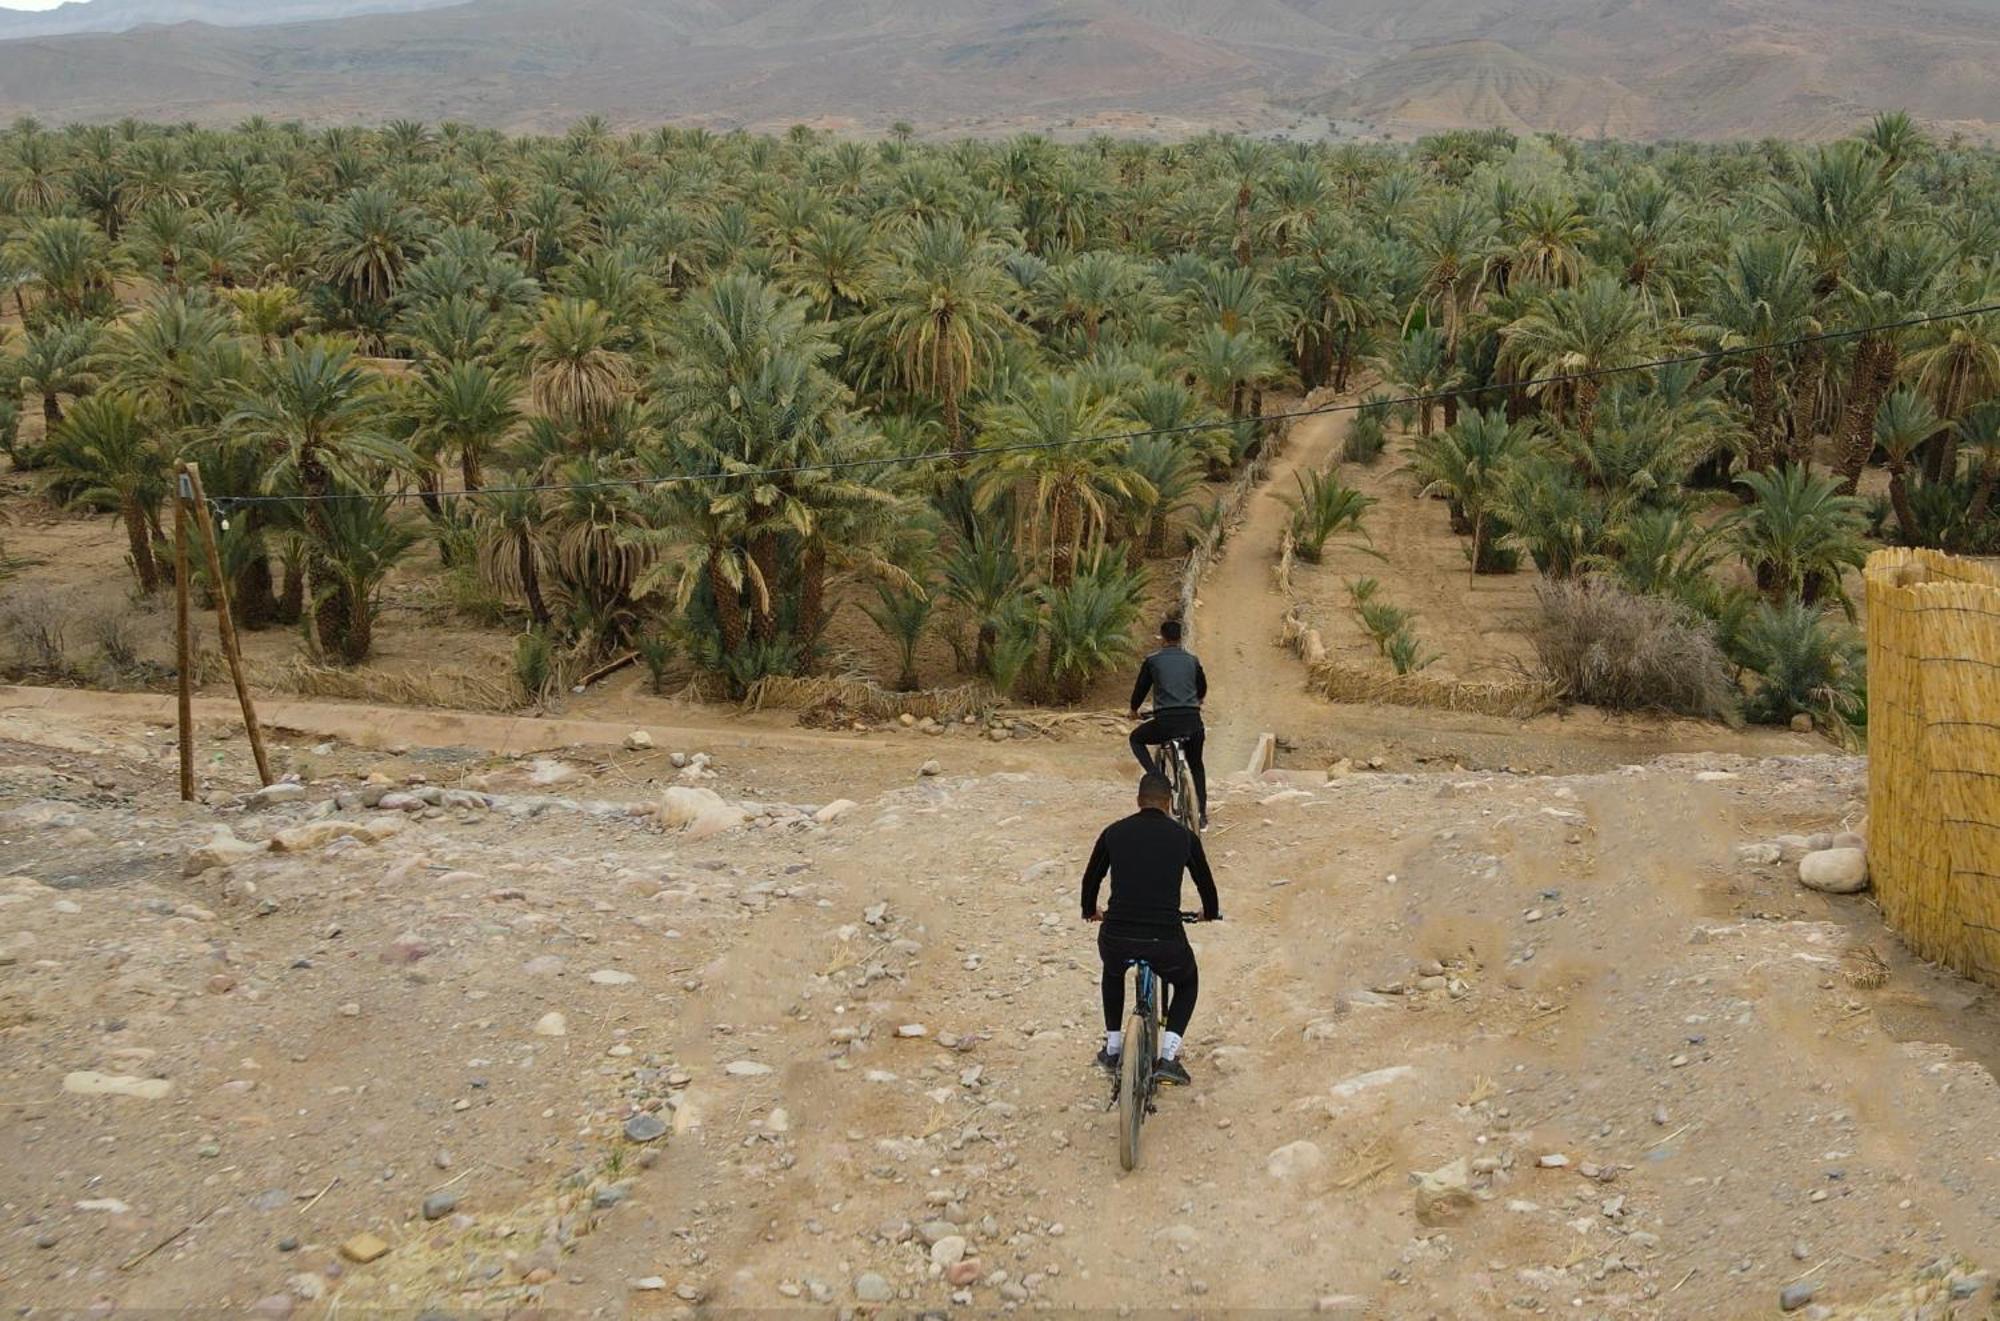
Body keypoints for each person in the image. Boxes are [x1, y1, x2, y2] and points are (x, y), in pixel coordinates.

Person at [1081, 772, 1221, 1086]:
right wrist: (1208, 913)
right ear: (1169, 803)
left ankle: (1114, 1047)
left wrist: (1091, 910)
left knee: (1113, 972)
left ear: (1138, 802)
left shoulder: (1113, 833)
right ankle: (1168, 1057)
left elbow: (1091, 880)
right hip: (1165, 940)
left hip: (1117, 935)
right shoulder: (1184, 837)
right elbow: (1206, 885)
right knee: (1187, 982)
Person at [1128, 618, 1209, 829]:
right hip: (1193, 721)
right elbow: (1202, 686)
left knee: (1136, 738)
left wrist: (1133, 710)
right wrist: (1197, 700)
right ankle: (1201, 815)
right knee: (1197, 765)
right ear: (1180, 637)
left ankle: (1155, 775)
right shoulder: (1192, 660)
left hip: (1166, 722)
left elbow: (1141, 689)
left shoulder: (1153, 660)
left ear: (1162, 637)